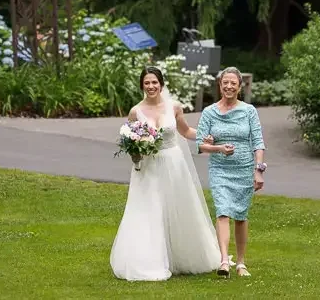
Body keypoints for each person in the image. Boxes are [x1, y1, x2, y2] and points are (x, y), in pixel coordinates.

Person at [110, 66, 221, 281]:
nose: (151, 86)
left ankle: (182, 256)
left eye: (154, 82)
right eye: (147, 83)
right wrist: (135, 153)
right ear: (142, 85)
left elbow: (185, 131)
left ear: (161, 84)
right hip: (149, 168)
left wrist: (204, 137)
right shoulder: (136, 111)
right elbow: (132, 139)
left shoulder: (174, 107)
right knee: (149, 210)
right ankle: (148, 260)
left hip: (173, 163)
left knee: (178, 208)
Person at [197, 66, 266, 278]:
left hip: (244, 168)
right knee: (223, 211)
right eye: (225, 83)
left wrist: (258, 170)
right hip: (219, 169)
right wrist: (215, 146)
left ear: (239, 87)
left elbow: (258, 142)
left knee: (240, 216)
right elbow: (200, 145)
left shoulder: (249, 111)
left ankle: (241, 262)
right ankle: (224, 261)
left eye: (233, 83)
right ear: (220, 86)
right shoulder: (209, 112)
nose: (228, 86)